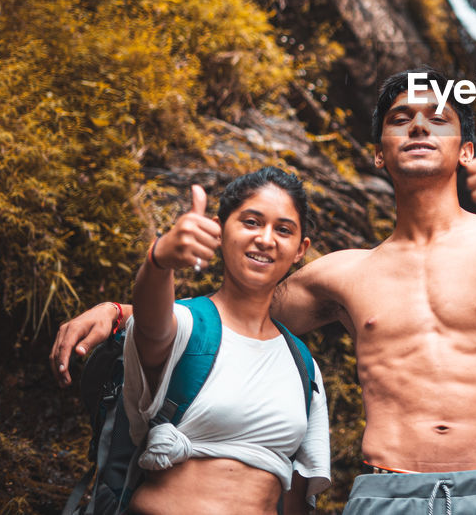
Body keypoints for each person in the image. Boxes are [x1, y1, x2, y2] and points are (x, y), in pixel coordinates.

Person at [52, 67, 476, 514]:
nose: (417, 124)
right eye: (399, 118)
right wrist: (123, 311)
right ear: (377, 155)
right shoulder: (344, 274)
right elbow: (238, 311)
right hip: (385, 493)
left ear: (466, 151)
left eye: (438, 118)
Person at [122, 167, 330, 515]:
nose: (266, 239)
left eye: (283, 230)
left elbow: (296, 491)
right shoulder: (187, 325)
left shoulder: (302, 366)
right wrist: (159, 261)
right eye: (251, 222)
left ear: (300, 249)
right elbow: (150, 326)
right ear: (220, 230)